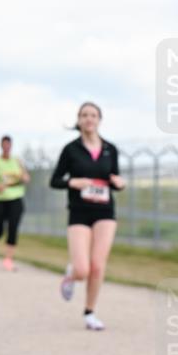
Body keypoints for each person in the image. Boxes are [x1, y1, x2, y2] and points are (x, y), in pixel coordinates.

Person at [49, 102, 126, 331]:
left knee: (98, 266)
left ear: (99, 120)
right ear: (79, 120)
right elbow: (55, 181)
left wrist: (119, 183)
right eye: (84, 115)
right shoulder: (70, 149)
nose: (89, 118)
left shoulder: (110, 149)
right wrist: (73, 182)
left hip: (105, 211)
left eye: (93, 115)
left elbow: (114, 178)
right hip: (79, 211)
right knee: (83, 269)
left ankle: (90, 312)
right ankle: (71, 275)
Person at [0, 135, 30, 272]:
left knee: (13, 227)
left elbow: (26, 176)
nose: (7, 147)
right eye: (4, 144)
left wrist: (24, 178)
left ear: (11, 145)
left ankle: (8, 259)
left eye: (9, 144)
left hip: (15, 198)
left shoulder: (17, 161)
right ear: (1, 146)